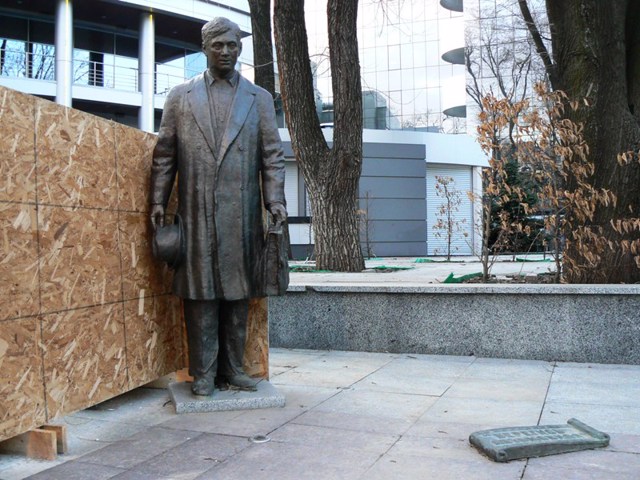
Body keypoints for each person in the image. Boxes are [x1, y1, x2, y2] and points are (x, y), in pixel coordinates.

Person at [149, 17, 287, 396]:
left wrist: (275, 199)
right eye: (218, 45)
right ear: (205, 48)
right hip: (195, 212)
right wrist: (158, 200)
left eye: (231, 45)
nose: (226, 51)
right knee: (201, 294)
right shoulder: (181, 96)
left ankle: (235, 369)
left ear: (239, 48)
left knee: (237, 294)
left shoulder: (258, 98)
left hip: (241, 214)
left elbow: (272, 157)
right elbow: (165, 155)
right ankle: (204, 373)